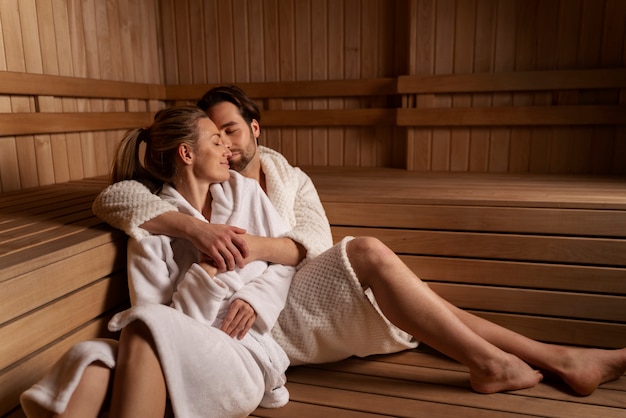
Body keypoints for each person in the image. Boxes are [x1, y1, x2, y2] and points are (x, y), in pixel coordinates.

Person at [92, 86, 626, 397]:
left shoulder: (287, 179)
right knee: (370, 255)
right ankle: (533, 360)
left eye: (231, 129)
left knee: (388, 277)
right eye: (215, 133)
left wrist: (253, 249)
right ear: (194, 146)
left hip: (283, 291)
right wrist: (195, 228)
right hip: (259, 318)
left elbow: (312, 242)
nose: (227, 143)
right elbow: (116, 199)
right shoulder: (197, 189)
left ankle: (549, 359)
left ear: (255, 129)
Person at [21, 106, 295, 418]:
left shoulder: (245, 192)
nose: (227, 149)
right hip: (179, 350)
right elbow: (159, 315)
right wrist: (205, 272)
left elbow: (287, 260)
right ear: (186, 153)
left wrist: (255, 298)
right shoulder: (150, 226)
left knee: (140, 326)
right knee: (93, 358)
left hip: (242, 352)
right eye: (216, 141)